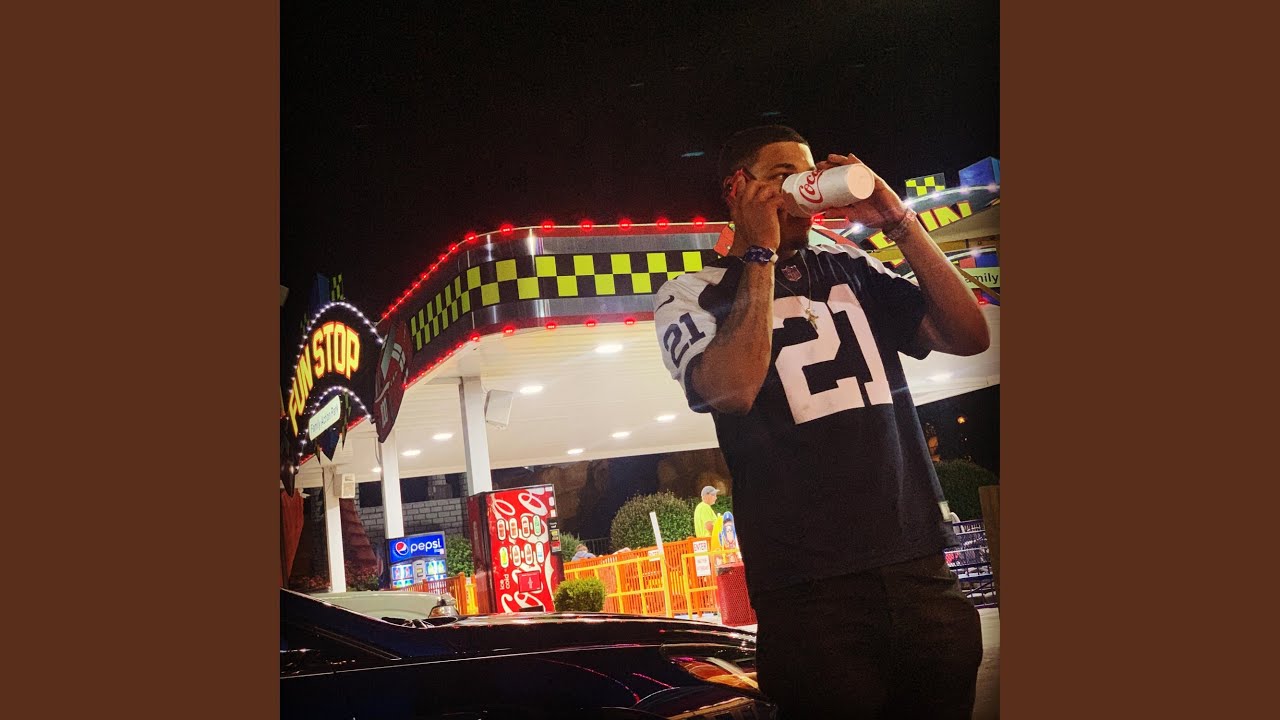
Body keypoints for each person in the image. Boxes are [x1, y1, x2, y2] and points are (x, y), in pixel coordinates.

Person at [653, 125, 990, 718]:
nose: (802, 188)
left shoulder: (850, 265)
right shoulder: (689, 293)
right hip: (808, 591)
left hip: (917, 566)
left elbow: (968, 334)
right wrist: (759, 254)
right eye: (781, 176)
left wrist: (898, 221)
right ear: (737, 188)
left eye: (807, 174)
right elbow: (732, 388)